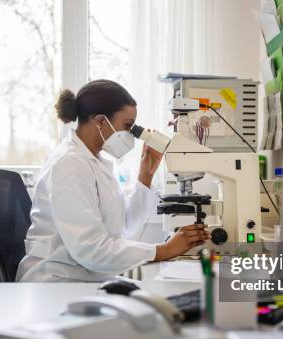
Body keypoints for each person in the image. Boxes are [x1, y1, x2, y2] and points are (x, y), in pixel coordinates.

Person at [16, 79, 209, 282]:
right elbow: (92, 250)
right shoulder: (69, 165)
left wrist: (146, 175)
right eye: (128, 126)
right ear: (100, 121)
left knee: (156, 297)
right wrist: (164, 250)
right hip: (56, 281)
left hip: (84, 275)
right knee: (154, 302)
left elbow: (123, 225)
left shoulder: (93, 162)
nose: (132, 134)